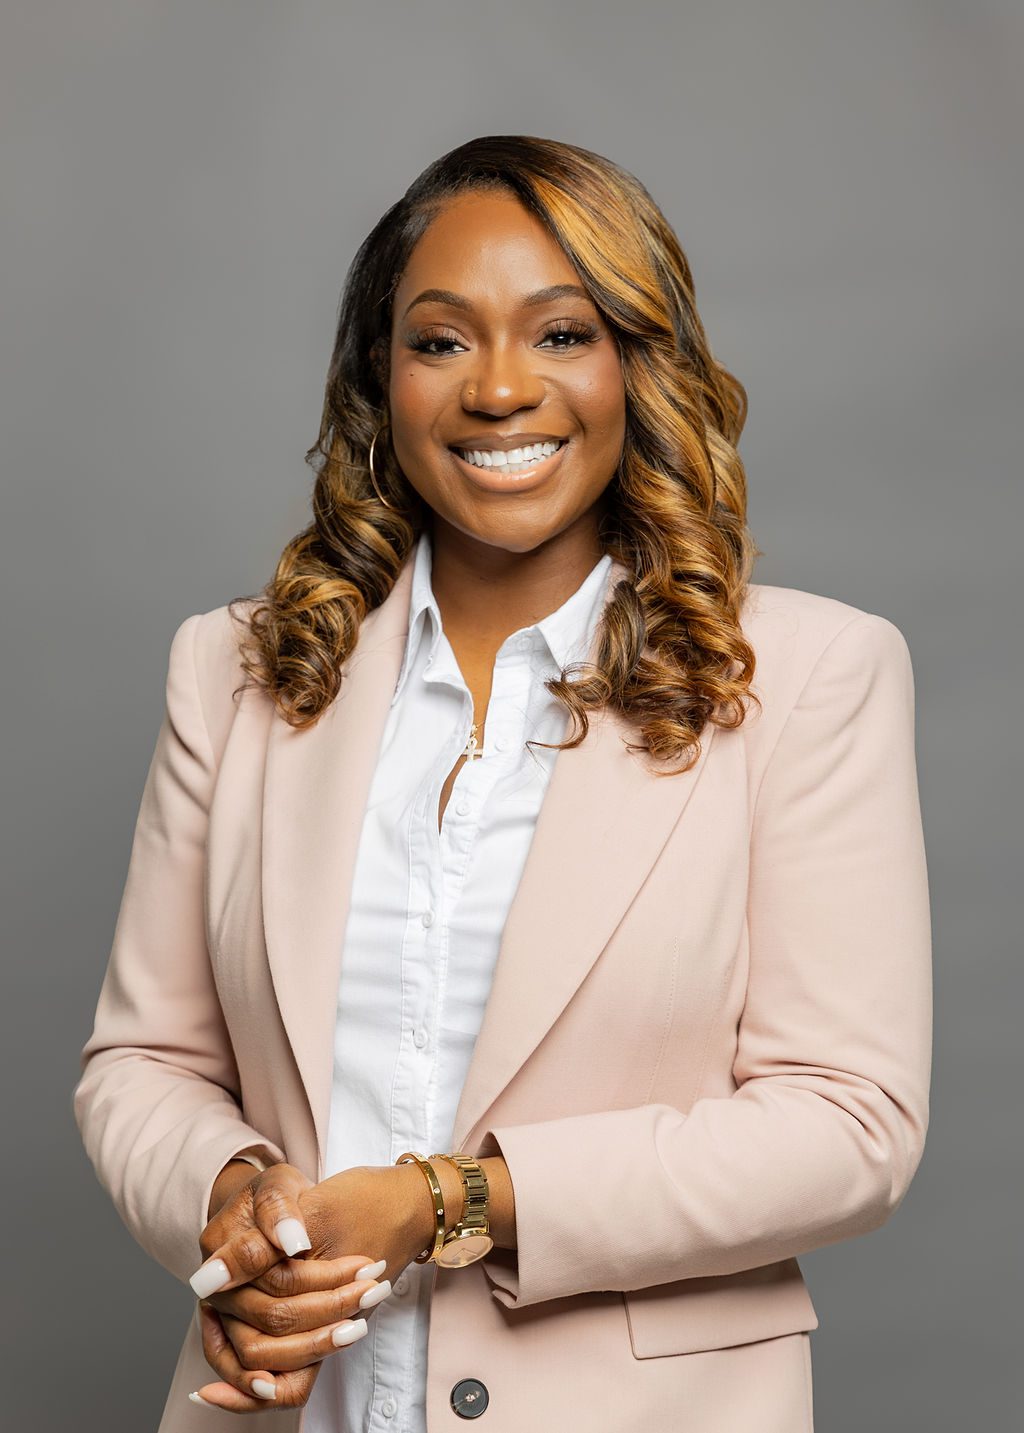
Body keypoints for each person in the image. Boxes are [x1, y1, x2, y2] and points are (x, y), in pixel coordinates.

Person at [73, 134, 932, 1433]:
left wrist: (451, 1199)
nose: (498, 388)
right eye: (439, 340)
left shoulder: (809, 676)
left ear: (637, 366)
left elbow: (849, 1122)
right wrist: (230, 1191)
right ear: (382, 373)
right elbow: (141, 1061)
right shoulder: (236, 669)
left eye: (561, 333)